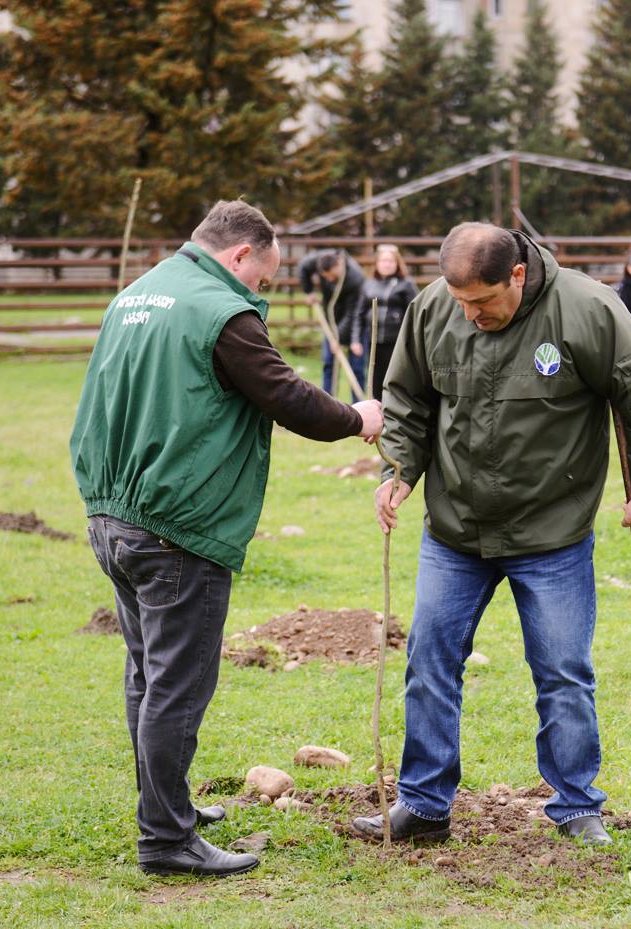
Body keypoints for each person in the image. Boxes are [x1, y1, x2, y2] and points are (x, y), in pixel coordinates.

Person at [69, 201, 383, 877]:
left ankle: (167, 805)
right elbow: (287, 396)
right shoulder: (222, 312)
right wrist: (356, 417)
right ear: (241, 254)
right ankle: (166, 840)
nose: (260, 291)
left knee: (148, 674)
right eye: (262, 279)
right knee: (177, 685)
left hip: (113, 512)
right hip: (177, 525)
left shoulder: (138, 293)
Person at [352, 223, 631, 848]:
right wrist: (400, 471)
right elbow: (408, 398)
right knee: (429, 660)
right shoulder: (433, 309)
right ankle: (423, 805)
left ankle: (577, 806)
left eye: (481, 301)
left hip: (552, 531)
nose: (469, 315)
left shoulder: (587, 308)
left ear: (518, 275)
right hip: (455, 529)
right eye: (459, 301)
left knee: (562, 671)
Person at [350, 244, 419, 401]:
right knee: (375, 379)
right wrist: (355, 340)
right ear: (376, 263)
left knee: (396, 378)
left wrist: (411, 340)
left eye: (390, 261)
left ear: (397, 263)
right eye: (383, 261)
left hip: (396, 342)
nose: (387, 264)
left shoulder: (406, 284)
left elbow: (415, 313)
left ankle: (396, 408)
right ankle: (377, 409)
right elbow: (359, 314)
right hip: (373, 342)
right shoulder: (368, 284)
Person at [298, 248, 366, 399]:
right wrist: (309, 291)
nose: (329, 279)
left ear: (339, 265)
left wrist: (338, 337)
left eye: (332, 276)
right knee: (329, 365)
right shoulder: (317, 260)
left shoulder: (355, 278)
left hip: (355, 324)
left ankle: (359, 405)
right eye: (326, 277)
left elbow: (352, 313)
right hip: (331, 320)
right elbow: (303, 267)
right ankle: (327, 402)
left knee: (356, 368)